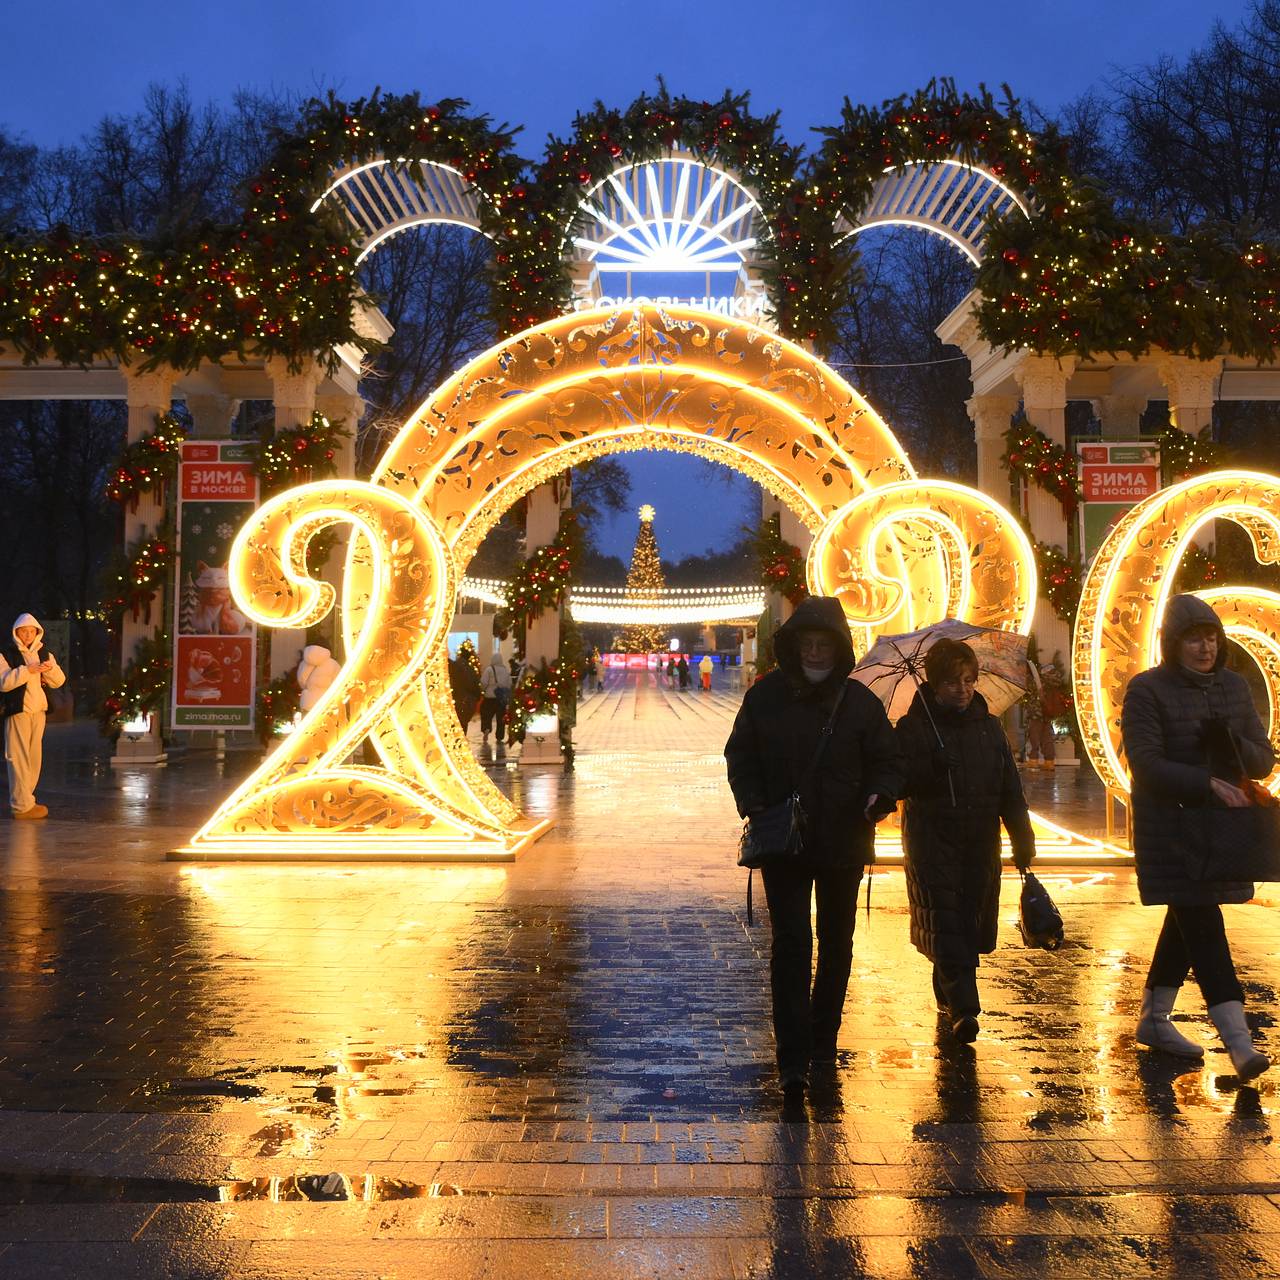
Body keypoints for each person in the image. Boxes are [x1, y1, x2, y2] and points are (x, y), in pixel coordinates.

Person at [724, 596, 903, 1101]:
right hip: (786, 841)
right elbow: (741, 754)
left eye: (826, 644)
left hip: (844, 839)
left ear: (840, 649)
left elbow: (887, 760)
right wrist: (755, 804)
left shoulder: (860, 702)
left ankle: (825, 1041)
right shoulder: (766, 699)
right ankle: (793, 1056)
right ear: (795, 645)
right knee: (791, 946)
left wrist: (880, 794)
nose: (817, 652)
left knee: (837, 944)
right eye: (809, 643)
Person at [1121, 593, 1274, 1079]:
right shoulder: (1146, 690)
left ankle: (1154, 1019)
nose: (1205, 648)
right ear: (1174, 643)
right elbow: (1145, 764)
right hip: (1171, 830)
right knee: (1203, 923)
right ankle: (1238, 1042)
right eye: (1194, 639)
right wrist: (1204, 780)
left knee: (1187, 918)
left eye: (1211, 638)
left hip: (1220, 828)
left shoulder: (1233, 685)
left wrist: (1235, 742)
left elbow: (1264, 759)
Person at [894, 638, 1036, 1043]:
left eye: (969, 680)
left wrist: (1022, 838)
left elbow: (1010, 788)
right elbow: (899, 782)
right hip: (932, 843)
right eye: (953, 682)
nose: (963, 689)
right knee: (948, 920)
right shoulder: (915, 728)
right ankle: (965, 1009)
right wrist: (929, 769)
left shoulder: (989, 728)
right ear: (935, 684)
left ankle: (949, 995)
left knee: (965, 924)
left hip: (979, 843)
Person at [0, 613, 66, 820]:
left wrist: (50, 669)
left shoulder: (44, 652)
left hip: (38, 711)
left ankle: (26, 799)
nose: (28, 635)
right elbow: (4, 683)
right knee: (17, 757)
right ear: (16, 633)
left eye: (31, 631)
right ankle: (20, 804)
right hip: (18, 711)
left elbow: (59, 681)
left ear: (37, 632)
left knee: (34, 757)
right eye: (23, 631)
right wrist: (27, 670)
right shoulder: (6, 653)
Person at [1022, 656, 1066, 769]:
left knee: (1034, 738)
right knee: (1047, 738)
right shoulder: (1054, 682)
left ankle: (1033, 760)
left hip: (1036, 714)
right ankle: (1049, 761)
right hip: (1047, 713)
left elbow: (1027, 686)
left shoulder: (1039, 682)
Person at [480, 650, 513, 747]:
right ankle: (500, 736)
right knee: (500, 718)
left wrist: (484, 690)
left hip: (489, 697)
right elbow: (509, 684)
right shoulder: (505, 670)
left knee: (486, 715)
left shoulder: (489, 669)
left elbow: (483, 682)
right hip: (501, 699)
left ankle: (486, 728)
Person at [297, 644, 342, 714]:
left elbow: (302, 683)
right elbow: (339, 683)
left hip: (307, 703)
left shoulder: (304, 664)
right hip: (327, 703)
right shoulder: (333, 664)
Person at [447, 647, 483, 730]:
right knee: (463, 725)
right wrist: (476, 697)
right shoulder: (470, 669)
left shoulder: (454, 666)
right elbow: (476, 685)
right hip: (467, 701)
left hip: (456, 699)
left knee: (454, 725)